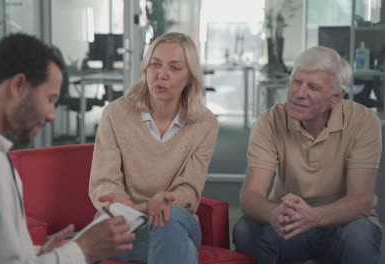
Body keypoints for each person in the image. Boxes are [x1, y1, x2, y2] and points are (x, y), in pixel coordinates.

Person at [0, 33, 135, 264]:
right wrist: (83, 250)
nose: (52, 115)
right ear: (18, 85)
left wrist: (40, 252)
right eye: (50, 99)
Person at [234, 46, 382, 263]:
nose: (299, 93)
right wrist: (274, 213)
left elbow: (361, 201)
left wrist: (314, 217)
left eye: (313, 87)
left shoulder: (364, 121)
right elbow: (250, 197)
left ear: (336, 97)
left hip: (342, 224)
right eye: (296, 81)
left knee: (360, 234)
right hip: (290, 225)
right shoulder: (270, 121)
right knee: (245, 229)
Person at [89, 32, 219, 264]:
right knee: (181, 248)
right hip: (126, 225)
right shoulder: (115, 114)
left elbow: (190, 187)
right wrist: (118, 200)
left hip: (175, 217)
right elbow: (103, 180)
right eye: (155, 65)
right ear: (145, 69)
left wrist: (168, 200)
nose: (161, 75)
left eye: (175, 68)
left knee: (168, 222)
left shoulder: (204, 123)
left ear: (190, 77)